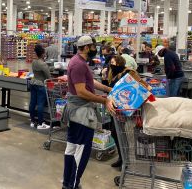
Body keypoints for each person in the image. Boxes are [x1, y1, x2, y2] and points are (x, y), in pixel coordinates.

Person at [62, 36, 115, 189]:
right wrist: (103, 100)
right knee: (81, 152)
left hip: (75, 113)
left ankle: (68, 183)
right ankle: (72, 184)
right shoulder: (79, 64)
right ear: (86, 47)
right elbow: (81, 92)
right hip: (81, 114)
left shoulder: (78, 61)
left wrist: (107, 89)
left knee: (72, 149)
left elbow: (90, 81)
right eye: (92, 46)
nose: (95, 49)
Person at [104, 55, 151, 169]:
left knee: (121, 134)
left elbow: (141, 87)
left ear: (120, 63)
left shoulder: (128, 73)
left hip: (124, 110)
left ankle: (125, 160)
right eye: (111, 63)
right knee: (116, 133)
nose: (112, 65)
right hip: (115, 109)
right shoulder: (113, 74)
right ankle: (122, 158)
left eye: (113, 63)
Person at [29, 44, 51, 130]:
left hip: (33, 83)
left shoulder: (34, 62)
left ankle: (32, 121)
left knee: (32, 103)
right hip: (41, 85)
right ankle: (40, 123)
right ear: (42, 54)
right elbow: (48, 77)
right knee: (41, 104)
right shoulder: (43, 64)